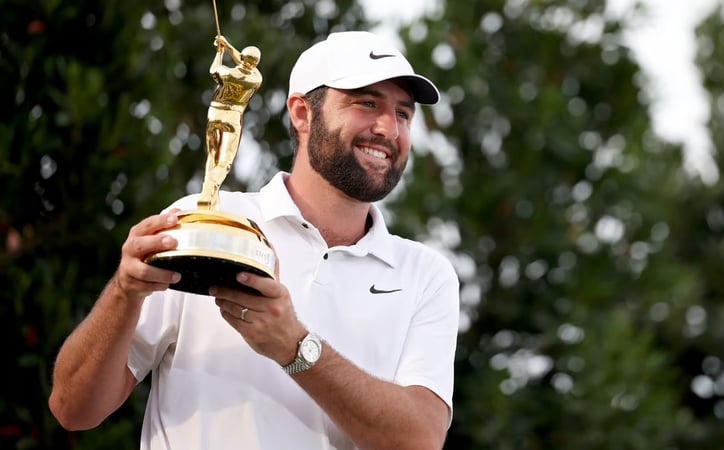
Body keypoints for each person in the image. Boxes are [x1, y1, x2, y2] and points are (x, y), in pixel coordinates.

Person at [48, 30, 460, 450]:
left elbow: (421, 439)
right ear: (302, 113)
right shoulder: (201, 223)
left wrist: (295, 347)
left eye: (403, 114)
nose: (389, 129)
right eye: (367, 103)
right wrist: (124, 291)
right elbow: (73, 409)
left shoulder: (426, 275)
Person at [199, 35, 262, 210]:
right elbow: (243, 61)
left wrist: (220, 51)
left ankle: (208, 192)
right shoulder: (256, 79)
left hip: (215, 112)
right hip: (233, 117)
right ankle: (210, 190)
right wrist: (227, 46)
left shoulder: (228, 73)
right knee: (224, 162)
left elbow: (214, 70)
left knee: (212, 156)